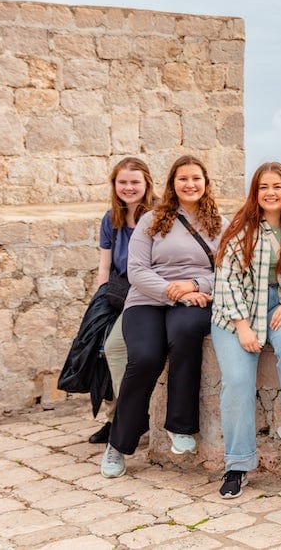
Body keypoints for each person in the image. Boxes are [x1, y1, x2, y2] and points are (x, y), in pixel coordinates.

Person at [101, 155, 226, 478]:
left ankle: (180, 427)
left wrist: (196, 285)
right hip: (147, 300)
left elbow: (228, 272)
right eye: (183, 179)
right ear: (172, 185)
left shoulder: (220, 224)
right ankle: (119, 443)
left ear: (206, 183)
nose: (190, 184)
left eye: (196, 178)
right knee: (144, 357)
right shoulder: (152, 220)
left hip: (197, 299)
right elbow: (137, 270)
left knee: (186, 335)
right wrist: (175, 290)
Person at [211, 162, 281, 499]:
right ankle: (237, 465)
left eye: (277, 187)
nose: (271, 193)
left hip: (279, 306)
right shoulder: (240, 230)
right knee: (238, 381)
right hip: (236, 310)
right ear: (255, 193)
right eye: (264, 187)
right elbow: (225, 282)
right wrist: (242, 327)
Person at [88, 157, 157, 445]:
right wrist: (98, 302)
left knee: (115, 348)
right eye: (123, 182)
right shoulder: (111, 219)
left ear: (146, 184)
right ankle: (114, 415)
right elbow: (105, 267)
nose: (129, 188)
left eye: (135, 182)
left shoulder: (157, 215)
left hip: (147, 294)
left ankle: (128, 418)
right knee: (95, 346)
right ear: (115, 185)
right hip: (117, 293)